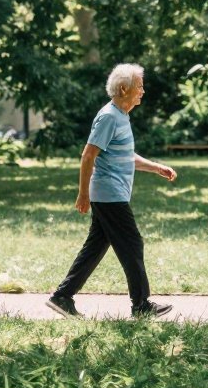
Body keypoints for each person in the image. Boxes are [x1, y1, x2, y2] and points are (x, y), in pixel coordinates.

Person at [47, 63, 178, 319]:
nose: (143, 91)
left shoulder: (121, 116)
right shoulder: (109, 116)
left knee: (96, 246)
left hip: (111, 194)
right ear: (123, 88)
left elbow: (125, 156)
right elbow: (88, 156)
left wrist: (156, 168)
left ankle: (62, 297)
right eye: (139, 86)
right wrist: (82, 193)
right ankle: (141, 305)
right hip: (109, 194)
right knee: (132, 244)